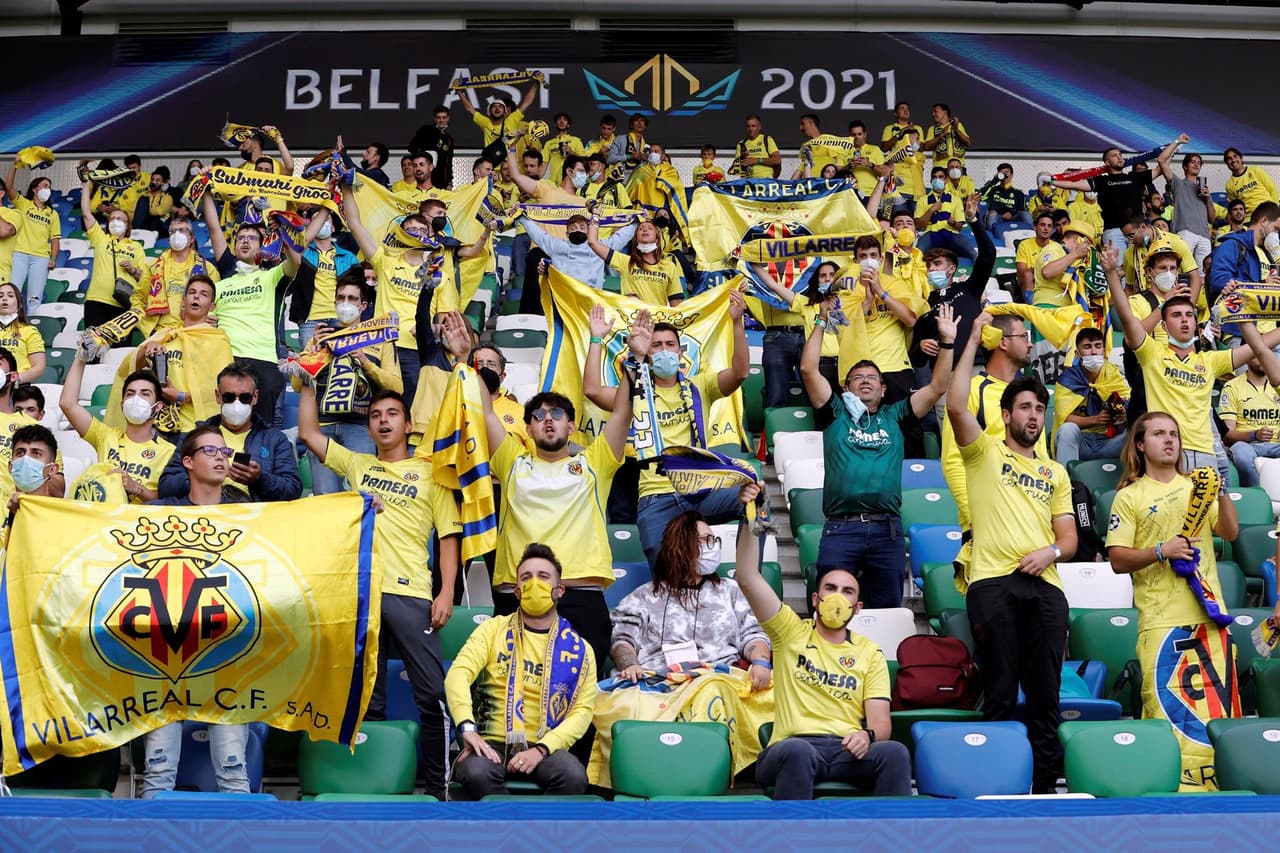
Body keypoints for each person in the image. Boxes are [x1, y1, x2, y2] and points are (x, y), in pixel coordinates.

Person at [298, 379, 460, 800]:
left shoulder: (432, 473)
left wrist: (446, 595)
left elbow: (448, 539)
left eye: (392, 414)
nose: (383, 421)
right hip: (362, 596)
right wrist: (307, 387)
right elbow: (310, 435)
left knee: (432, 697)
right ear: (368, 429)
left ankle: (439, 788)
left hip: (412, 594)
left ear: (408, 425)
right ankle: (371, 788)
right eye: (375, 416)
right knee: (368, 698)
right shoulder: (357, 466)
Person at [947, 312, 1077, 794]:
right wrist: (973, 342)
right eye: (1024, 408)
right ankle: (995, 784)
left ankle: (1045, 788)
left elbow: (1067, 538)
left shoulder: (1055, 473)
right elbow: (957, 406)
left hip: (1044, 587)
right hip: (993, 584)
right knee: (1000, 690)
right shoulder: (984, 452)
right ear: (1006, 415)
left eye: (1039, 410)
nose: (1033, 417)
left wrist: (1050, 554)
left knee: (1046, 696)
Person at [480, 307, 632, 707]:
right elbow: (481, 410)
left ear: (570, 426)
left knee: (582, 696)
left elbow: (622, 411)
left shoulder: (594, 463)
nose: (548, 420)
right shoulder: (512, 462)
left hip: (580, 593)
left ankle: (574, 768)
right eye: (539, 415)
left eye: (557, 414)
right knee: (512, 696)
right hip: (518, 593)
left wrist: (618, 351)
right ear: (527, 428)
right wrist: (469, 362)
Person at [730, 482, 910, 799]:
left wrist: (867, 736)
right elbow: (747, 576)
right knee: (798, 752)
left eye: (847, 592)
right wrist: (750, 518)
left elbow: (881, 722)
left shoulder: (870, 653)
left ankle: (893, 841)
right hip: (792, 746)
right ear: (815, 598)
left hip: (845, 750)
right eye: (830, 589)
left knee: (894, 753)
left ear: (858, 608)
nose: (837, 597)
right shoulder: (790, 631)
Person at [1105, 411, 1240, 791]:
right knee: (1166, 713)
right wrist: (1160, 551)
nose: (1169, 440)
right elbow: (1117, 559)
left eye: (1174, 435)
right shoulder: (1129, 496)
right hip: (1161, 621)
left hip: (1211, 619)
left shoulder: (1196, 487)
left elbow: (1229, 531)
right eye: (1159, 434)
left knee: (1214, 717)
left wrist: (1221, 487)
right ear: (1140, 444)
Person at [805, 302, 957, 608]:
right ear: (845, 387)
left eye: (872, 377)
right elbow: (808, 368)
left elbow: (939, 386)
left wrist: (948, 341)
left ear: (884, 389)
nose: (864, 380)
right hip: (841, 527)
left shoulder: (897, 415)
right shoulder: (835, 413)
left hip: (886, 530)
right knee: (832, 610)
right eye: (857, 377)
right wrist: (821, 322)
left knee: (887, 610)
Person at [584, 298, 748, 567]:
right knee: (665, 574)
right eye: (656, 345)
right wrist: (595, 340)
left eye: (670, 345)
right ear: (646, 353)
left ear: (681, 352)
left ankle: (745, 577)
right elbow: (592, 390)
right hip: (655, 497)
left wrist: (737, 322)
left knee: (754, 496)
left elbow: (740, 373)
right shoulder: (634, 391)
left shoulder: (700, 385)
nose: (664, 351)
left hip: (699, 491)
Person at [139, 426, 250, 799]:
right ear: (187, 462)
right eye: (210, 451)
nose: (221, 457)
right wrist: (31, 504)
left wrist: (358, 510)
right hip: (165, 653)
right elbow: (91, 526)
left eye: (225, 451)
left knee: (234, 773)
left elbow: (306, 528)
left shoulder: (251, 516)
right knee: (156, 776)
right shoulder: (158, 512)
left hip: (228, 652)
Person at [1104, 247, 1280, 478]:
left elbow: (1259, 345)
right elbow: (1127, 318)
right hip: (1170, 453)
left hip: (1206, 453)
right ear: (1164, 326)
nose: (1185, 320)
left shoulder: (1209, 360)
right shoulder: (1152, 354)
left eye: (1189, 315)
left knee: (1214, 511)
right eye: (1176, 316)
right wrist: (1110, 274)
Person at [446, 543, 596, 800]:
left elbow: (582, 712)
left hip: (543, 745)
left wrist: (542, 749)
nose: (534, 583)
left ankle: (540, 834)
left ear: (559, 590)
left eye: (543, 577)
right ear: (517, 591)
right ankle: (507, 829)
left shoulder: (580, 649)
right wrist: (467, 728)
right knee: (475, 772)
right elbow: (458, 674)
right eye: (526, 578)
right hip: (491, 743)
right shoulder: (492, 630)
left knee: (573, 775)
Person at [341, 186, 492, 408]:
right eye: (410, 230)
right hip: (381, 348)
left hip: (416, 350)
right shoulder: (385, 261)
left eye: (422, 230)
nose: (417, 234)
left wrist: (432, 330)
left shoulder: (439, 273)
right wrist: (346, 188)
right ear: (401, 234)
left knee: (410, 411)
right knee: (377, 411)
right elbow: (354, 223)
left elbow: (445, 320)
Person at [610, 510, 771, 676]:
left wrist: (761, 662)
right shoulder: (644, 597)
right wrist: (630, 665)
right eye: (706, 540)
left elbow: (753, 636)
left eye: (714, 540)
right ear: (681, 547)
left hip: (719, 680)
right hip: (659, 682)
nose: (713, 546)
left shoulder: (731, 591)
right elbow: (622, 640)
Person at [200, 190, 300, 425]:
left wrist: (284, 229)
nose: (245, 240)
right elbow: (215, 229)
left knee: (261, 431)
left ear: (262, 244)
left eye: (252, 238)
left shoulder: (272, 276)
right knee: (223, 428)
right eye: (240, 237)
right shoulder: (223, 281)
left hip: (263, 361)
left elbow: (295, 260)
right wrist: (205, 191)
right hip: (225, 359)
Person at [301, 272, 402, 495]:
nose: (345, 303)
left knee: (361, 499)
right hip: (322, 427)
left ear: (363, 305)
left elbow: (397, 387)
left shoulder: (379, 337)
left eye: (352, 299)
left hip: (361, 427)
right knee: (325, 500)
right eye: (341, 298)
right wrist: (312, 354)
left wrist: (366, 363)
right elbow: (298, 386)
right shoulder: (321, 337)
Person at [157, 362, 301, 502]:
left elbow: (292, 489)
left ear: (255, 397)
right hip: (205, 516)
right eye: (229, 397)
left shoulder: (274, 439)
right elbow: (167, 485)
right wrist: (204, 479)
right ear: (218, 396)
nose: (236, 404)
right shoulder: (195, 436)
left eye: (245, 397)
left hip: (254, 518)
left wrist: (259, 479)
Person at [60, 353, 175, 503]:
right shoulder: (105, 436)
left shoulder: (169, 451)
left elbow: (169, 501)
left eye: (145, 393)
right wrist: (81, 358)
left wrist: (136, 488)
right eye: (130, 394)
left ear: (158, 406)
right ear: (122, 404)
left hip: (138, 522)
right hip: (101, 519)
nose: (136, 399)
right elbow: (67, 404)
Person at [133, 274, 231, 439]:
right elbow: (134, 371)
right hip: (157, 425)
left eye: (203, 294)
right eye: (192, 292)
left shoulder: (218, 340)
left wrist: (181, 397)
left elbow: (226, 388)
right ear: (183, 300)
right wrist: (145, 349)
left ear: (212, 306)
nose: (196, 296)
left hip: (195, 428)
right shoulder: (165, 335)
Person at [1052, 136, 1186, 254]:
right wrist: (1052, 181)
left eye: (1120, 155)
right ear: (1107, 162)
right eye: (1115, 155)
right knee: (1119, 273)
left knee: (1143, 269)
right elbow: (1074, 184)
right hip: (1114, 232)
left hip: (1139, 230)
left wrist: (1174, 146)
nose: (1119, 157)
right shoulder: (1102, 181)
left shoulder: (1135, 177)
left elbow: (1160, 168)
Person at [910, 193, 994, 377]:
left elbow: (988, 254)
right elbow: (915, 358)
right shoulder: (923, 303)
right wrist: (920, 347)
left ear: (952, 269)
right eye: (928, 265)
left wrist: (973, 220)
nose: (931, 269)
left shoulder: (970, 289)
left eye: (937, 264)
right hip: (941, 375)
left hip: (974, 369)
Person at [79, 174, 150, 331]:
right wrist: (85, 185)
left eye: (121, 219)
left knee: (120, 351)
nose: (116, 222)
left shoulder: (136, 246)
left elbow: (144, 277)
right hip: (96, 300)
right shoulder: (101, 238)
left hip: (124, 302)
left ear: (127, 225)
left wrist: (132, 269)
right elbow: (86, 213)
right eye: (113, 219)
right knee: (93, 351)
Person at [1053, 327, 1130, 465]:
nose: (1094, 351)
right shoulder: (1068, 379)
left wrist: (1125, 414)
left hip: (1110, 442)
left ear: (1104, 350)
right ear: (1077, 354)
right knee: (1067, 429)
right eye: (1087, 347)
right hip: (1081, 442)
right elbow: (1064, 418)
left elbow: (1128, 402)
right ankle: (1066, 483)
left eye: (1098, 346)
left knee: (1138, 430)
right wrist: (1096, 419)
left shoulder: (1114, 374)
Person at [286, 208, 360, 346]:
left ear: (332, 228)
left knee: (343, 364)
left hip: (343, 318)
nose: (321, 223)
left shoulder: (349, 257)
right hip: (311, 320)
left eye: (326, 220)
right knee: (311, 365)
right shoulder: (302, 253)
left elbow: (360, 290)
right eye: (316, 220)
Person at [1208, 202, 1280, 341]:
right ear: (1264, 221)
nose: (1276, 235)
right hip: (1240, 331)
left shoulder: (1270, 253)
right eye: (1276, 229)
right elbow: (1219, 280)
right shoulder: (1232, 244)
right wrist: (1262, 284)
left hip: (1270, 331)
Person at [516, 211, 638, 290]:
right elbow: (538, 234)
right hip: (564, 301)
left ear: (589, 231)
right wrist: (521, 216)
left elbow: (621, 238)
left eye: (582, 227)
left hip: (591, 300)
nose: (577, 230)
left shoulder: (600, 247)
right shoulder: (557, 246)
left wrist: (638, 222)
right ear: (567, 233)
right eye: (573, 228)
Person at [585, 217, 685, 306]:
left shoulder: (669, 266)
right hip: (631, 322)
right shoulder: (626, 261)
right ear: (636, 239)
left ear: (657, 240)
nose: (645, 229)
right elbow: (593, 242)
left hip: (657, 322)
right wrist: (595, 216)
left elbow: (676, 303)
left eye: (650, 228)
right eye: (641, 229)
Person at [1219, 351, 1280, 487]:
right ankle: (1258, 494)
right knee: (1241, 453)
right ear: (1246, 357)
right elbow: (1227, 435)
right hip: (1249, 445)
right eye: (1258, 354)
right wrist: (1254, 435)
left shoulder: (1277, 384)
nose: (1263, 357)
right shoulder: (1232, 387)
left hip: (1277, 444)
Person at [2, 166, 60, 310]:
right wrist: (14, 167)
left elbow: (55, 239)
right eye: (45, 185)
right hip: (18, 254)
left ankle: (30, 328)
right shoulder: (23, 204)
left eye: (50, 187)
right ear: (34, 189)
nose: (48, 189)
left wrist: (53, 259)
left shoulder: (52, 214)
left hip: (41, 258)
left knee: (35, 297)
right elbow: (8, 187)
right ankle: (10, 325)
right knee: (12, 293)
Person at [1163, 152, 1216, 269]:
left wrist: (1207, 199)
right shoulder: (1179, 184)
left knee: (1205, 273)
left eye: (1199, 163)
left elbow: (1212, 219)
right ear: (1185, 166)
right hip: (1185, 231)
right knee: (1181, 269)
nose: (1196, 165)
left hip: (1204, 236)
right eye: (1193, 162)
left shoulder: (1204, 189)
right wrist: (1177, 145)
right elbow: (1162, 163)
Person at [914, 166, 975, 260]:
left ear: (946, 179)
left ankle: (985, 274)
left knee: (973, 253)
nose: (937, 179)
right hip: (930, 233)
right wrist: (931, 210)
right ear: (930, 180)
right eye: (934, 177)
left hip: (951, 233)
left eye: (940, 177)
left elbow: (959, 227)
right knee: (917, 254)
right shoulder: (922, 200)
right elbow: (918, 225)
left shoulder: (956, 200)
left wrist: (954, 223)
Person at [1036, 220, 1098, 309]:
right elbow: (1047, 272)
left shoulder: (1072, 257)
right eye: (1087, 245)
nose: (1088, 250)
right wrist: (1075, 254)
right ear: (1078, 240)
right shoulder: (1054, 248)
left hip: (1068, 309)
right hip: (1049, 307)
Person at [0, 283, 46, 383]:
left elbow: (39, 367)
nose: (4, 299)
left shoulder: (29, 331)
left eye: (10, 295)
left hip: (17, 389)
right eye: (0, 296)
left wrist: (14, 380)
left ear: (20, 305)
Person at [879, 102, 925, 201]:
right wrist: (901, 133)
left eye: (907, 108)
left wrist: (913, 138)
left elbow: (921, 149)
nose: (906, 110)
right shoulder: (889, 128)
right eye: (902, 108)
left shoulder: (918, 128)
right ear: (895, 114)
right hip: (898, 174)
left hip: (914, 174)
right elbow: (884, 148)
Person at [6, 423, 60, 505]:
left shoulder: (63, 515)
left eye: (36, 453)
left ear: (52, 469)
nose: (26, 459)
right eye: (20, 453)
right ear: (10, 466)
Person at [1015, 210, 1058, 304]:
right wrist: (1039, 270)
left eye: (1049, 226)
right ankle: (1031, 306)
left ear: (1052, 230)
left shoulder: (1056, 246)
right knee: (1027, 274)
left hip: (1049, 279)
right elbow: (1021, 271)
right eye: (1042, 225)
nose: (1046, 228)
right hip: (1030, 280)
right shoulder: (1024, 244)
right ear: (1035, 227)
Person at [1223, 148, 1278, 218]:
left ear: (1241, 158)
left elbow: (1273, 190)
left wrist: (1275, 211)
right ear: (1227, 164)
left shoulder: (1255, 170)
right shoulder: (1229, 185)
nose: (1233, 160)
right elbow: (1236, 206)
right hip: (1249, 219)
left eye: (1235, 156)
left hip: (1268, 212)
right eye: (1229, 159)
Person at [408, 107, 455, 188]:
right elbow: (412, 147)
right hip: (424, 180)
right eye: (438, 117)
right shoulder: (427, 130)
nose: (441, 120)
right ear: (435, 119)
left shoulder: (449, 140)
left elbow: (448, 163)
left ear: (448, 118)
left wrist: (449, 182)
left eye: (444, 117)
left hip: (441, 183)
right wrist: (424, 157)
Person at [981, 163, 1031, 230]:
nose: (1004, 174)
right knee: (992, 215)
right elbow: (981, 195)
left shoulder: (1018, 193)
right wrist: (994, 180)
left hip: (1014, 217)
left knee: (1026, 214)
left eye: (1006, 172)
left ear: (1011, 175)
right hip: (997, 216)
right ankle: (991, 237)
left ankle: (1032, 234)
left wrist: (1011, 212)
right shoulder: (993, 190)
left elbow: (1021, 209)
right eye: (1001, 173)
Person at [732, 114, 782, 180]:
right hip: (748, 181)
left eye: (753, 126)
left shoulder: (766, 139)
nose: (750, 129)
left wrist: (756, 160)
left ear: (759, 127)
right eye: (748, 126)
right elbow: (737, 168)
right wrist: (742, 158)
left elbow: (777, 160)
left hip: (766, 179)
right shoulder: (741, 144)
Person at [922, 103, 970, 168]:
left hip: (957, 166)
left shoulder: (958, 125)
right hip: (940, 167)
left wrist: (956, 130)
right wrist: (941, 136)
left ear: (945, 112)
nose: (933, 114)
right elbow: (926, 147)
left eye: (935, 112)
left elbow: (968, 142)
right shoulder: (932, 129)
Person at [133, 166, 174, 231]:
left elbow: (159, 212)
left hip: (159, 225)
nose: (154, 182)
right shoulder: (144, 196)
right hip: (145, 223)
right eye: (152, 179)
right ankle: (136, 231)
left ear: (163, 183)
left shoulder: (167, 198)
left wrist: (146, 208)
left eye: (158, 180)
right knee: (143, 199)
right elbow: (136, 212)